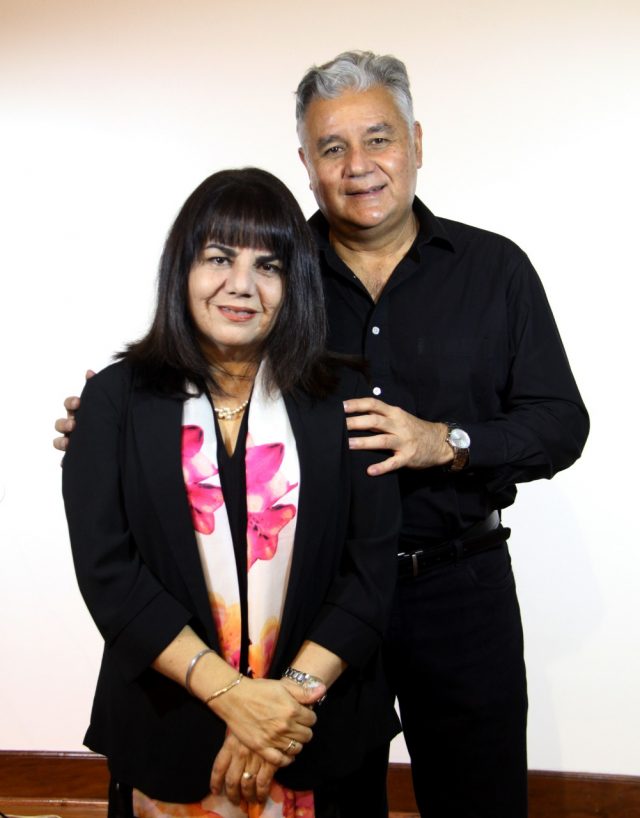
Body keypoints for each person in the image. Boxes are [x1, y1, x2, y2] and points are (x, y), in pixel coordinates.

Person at [55, 52, 590, 818]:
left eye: (379, 138)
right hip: (309, 602)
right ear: (306, 163)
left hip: (454, 586)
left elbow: (561, 423)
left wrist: (449, 442)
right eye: (332, 147)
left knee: (479, 795)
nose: (358, 165)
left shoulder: (493, 269)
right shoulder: (278, 263)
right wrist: (117, 431)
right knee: (337, 786)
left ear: (416, 141)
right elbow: (192, 393)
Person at [61, 167, 401, 818]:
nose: (241, 284)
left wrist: (282, 704)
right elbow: (109, 574)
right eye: (219, 258)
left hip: (316, 726)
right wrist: (234, 697)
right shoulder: (114, 400)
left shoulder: (346, 401)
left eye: (268, 266)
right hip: (170, 725)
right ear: (182, 268)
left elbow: (369, 571)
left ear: (294, 284)